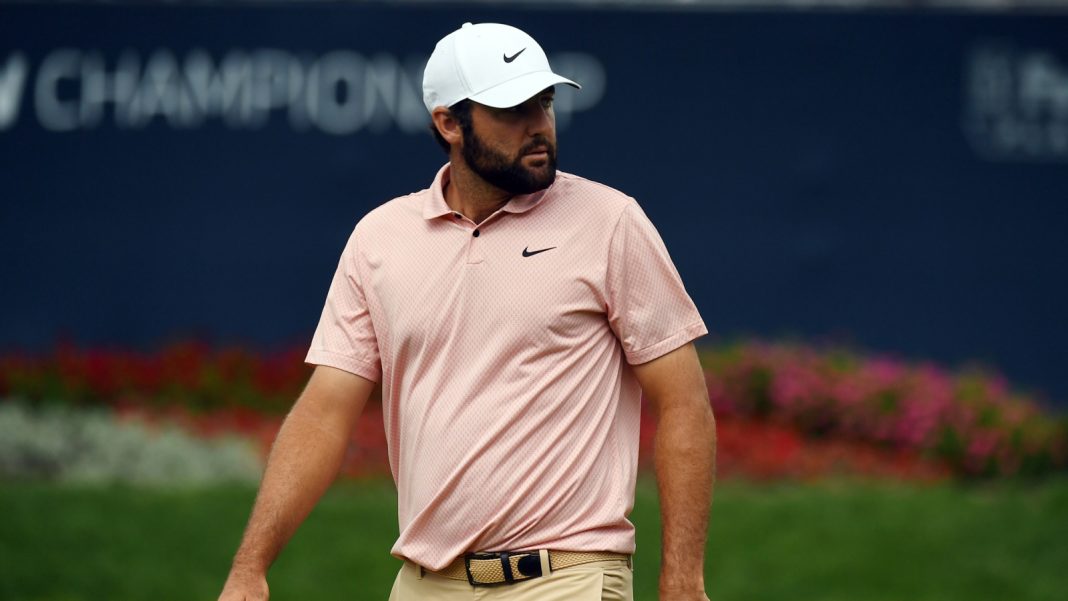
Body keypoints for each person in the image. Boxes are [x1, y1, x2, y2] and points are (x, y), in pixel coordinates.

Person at [219, 22, 715, 601]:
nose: (539, 125)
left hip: (568, 579)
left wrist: (682, 579)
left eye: (545, 102)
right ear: (449, 123)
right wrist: (248, 567)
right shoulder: (378, 238)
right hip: (422, 585)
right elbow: (324, 413)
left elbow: (683, 402)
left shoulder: (611, 222)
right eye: (512, 109)